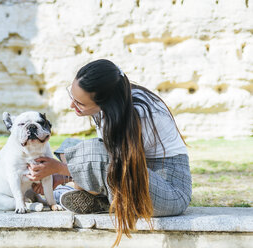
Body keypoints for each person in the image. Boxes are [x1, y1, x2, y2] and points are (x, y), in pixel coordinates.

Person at [26, 59, 192, 246]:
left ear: (105, 101)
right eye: (71, 96)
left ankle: (99, 199)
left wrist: (62, 170)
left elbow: (116, 166)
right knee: (70, 147)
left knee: (91, 155)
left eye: (80, 102)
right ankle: (90, 194)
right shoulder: (112, 106)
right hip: (136, 174)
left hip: (168, 189)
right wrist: (64, 174)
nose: (72, 106)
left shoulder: (138, 113)